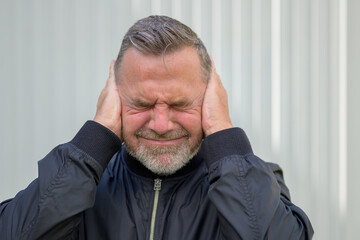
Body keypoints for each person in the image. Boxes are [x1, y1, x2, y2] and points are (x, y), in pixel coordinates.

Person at [0, 15, 313, 239]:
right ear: (114, 97)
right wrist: (97, 134)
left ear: (209, 97)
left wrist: (221, 128)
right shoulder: (77, 184)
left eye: (179, 104)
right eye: (141, 104)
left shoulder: (251, 182)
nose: (161, 125)